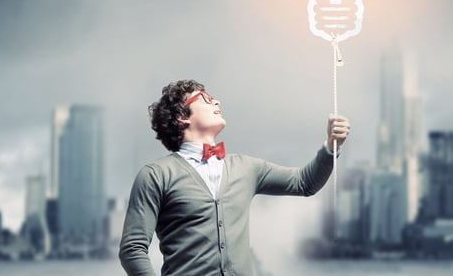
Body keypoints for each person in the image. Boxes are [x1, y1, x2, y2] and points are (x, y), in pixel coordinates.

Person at [119, 79, 350, 276]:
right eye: (206, 99)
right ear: (181, 116)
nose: (217, 102)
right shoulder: (155, 175)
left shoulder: (246, 167)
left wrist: (330, 146)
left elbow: (305, 183)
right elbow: (132, 249)